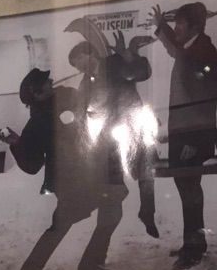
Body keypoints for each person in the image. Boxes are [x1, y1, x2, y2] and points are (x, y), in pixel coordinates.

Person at [0, 68, 125, 270]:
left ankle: (90, 264)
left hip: (95, 172)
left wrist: (93, 77)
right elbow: (32, 165)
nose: (51, 81)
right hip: (70, 183)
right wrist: (18, 143)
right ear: (36, 93)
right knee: (57, 230)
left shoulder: (68, 96)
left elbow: (91, 102)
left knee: (112, 211)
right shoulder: (38, 123)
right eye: (45, 81)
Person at [150, 2, 217, 270]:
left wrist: (194, 140)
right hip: (184, 134)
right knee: (187, 189)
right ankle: (193, 243)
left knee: (190, 191)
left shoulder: (203, 52)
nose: (177, 28)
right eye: (176, 23)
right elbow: (175, 49)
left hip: (192, 136)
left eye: (180, 23)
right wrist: (162, 26)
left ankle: (193, 249)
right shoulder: (190, 48)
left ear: (194, 26)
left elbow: (203, 101)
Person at [68, 35, 159, 239]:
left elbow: (141, 73)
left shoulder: (113, 63)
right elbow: (81, 106)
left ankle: (147, 212)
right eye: (75, 66)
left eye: (78, 61)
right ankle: (111, 211)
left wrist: (129, 56)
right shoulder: (86, 82)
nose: (79, 67)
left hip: (133, 125)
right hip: (109, 133)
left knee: (145, 171)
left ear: (88, 53)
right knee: (113, 175)